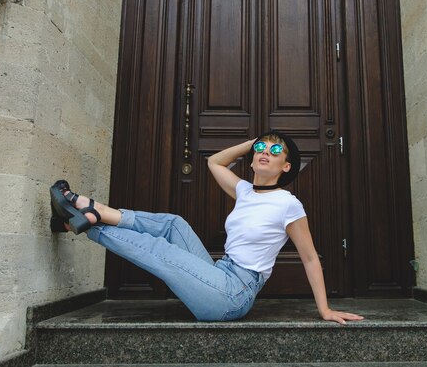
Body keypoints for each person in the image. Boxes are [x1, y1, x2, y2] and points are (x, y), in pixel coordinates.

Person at [50, 131, 363, 325]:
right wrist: (252, 142)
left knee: (162, 252)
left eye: (276, 150)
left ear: (286, 167)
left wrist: (324, 309)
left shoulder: (288, 204)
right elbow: (214, 162)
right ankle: (94, 211)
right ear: (252, 160)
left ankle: (86, 222)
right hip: (220, 272)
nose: (267, 152)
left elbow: (309, 258)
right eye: (262, 149)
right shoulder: (244, 191)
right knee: (175, 224)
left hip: (233, 294)